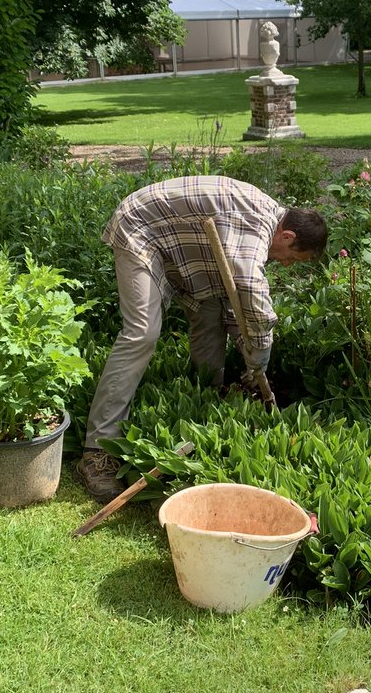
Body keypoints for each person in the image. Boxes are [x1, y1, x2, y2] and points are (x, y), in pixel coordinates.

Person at [76, 174, 327, 502]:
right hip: (140, 228)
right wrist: (262, 347)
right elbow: (249, 286)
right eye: (291, 257)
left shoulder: (264, 225)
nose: (285, 263)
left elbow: (236, 301)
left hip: (178, 240)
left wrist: (249, 351)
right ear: (288, 235)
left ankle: (204, 400)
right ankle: (98, 450)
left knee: (210, 310)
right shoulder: (255, 228)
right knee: (142, 332)